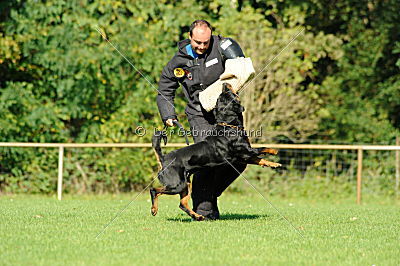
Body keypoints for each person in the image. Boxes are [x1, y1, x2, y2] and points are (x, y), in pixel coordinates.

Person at [156, 19, 246, 220]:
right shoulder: (179, 60)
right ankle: (205, 211)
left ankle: (209, 194)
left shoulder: (222, 47)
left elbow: (241, 69)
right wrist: (169, 115)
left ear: (211, 37)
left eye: (206, 43)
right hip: (199, 115)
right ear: (190, 38)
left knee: (240, 158)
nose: (202, 47)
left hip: (228, 113)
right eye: (198, 42)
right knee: (207, 160)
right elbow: (165, 89)